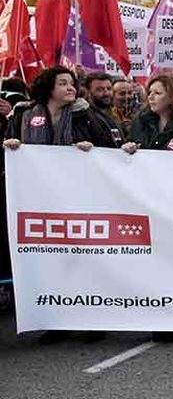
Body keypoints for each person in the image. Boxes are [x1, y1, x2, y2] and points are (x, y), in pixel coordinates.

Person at [4, 66, 121, 345]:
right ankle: (58, 321)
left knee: (85, 258)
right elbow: (10, 141)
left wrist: (89, 149)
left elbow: (110, 149)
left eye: (72, 83)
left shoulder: (86, 114)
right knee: (53, 259)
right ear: (48, 88)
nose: (70, 88)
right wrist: (10, 145)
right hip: (39, 199)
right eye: (63, 83)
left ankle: (94, 321)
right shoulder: (23, 114)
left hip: (81, 198)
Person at [120, 73, 173, 344]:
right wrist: (129, 149)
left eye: (157, 92)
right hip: (146, 203)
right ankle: (156, 316)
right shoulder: (141, 124)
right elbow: (130, 157)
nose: (150, 97)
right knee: (153, 262)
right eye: (150, 92)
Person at [82, 71, 125, 146]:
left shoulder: (113, 116)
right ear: (88, 92)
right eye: (99, 90)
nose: (106, 93)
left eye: (109, 88)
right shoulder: (83, 117)